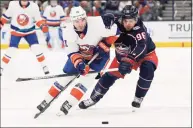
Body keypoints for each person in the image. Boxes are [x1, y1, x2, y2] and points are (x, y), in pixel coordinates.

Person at [36, 6, 118, 115]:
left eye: (82, 20)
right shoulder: (68, 30)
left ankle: (69, 102)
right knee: (66, 77)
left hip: (99, 55)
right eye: (77, 21)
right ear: (72, 21)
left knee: (86, 80)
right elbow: (72, 52)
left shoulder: (98, 23)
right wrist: (80, 64)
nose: (80, 23)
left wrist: (106, 43)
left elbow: (118, 30)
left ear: (86, 18)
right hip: (80, 54)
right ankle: (47, 99)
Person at [79, 5, 158, 110]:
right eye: (125, 21)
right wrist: (103, 20)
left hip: (146, 55)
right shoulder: (116, 24)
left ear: (136, 19)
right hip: (123, 54)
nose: (128, 24)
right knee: (109, 76)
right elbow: (102, 30)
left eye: (131, 21)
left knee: (148, 70)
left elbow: (141, 47)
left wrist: (129, 60)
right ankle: (94, 98)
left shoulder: (140, 30)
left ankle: (139, 97)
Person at [0, 0, 50, 76]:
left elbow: (38, 19)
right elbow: (5, 17)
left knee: (36, 48)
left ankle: (44, 66)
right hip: (16, 32)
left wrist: (42, 25)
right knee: (11, 50)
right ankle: (1, 67)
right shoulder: (13, 4)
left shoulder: (34, 6)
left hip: (30, 32)